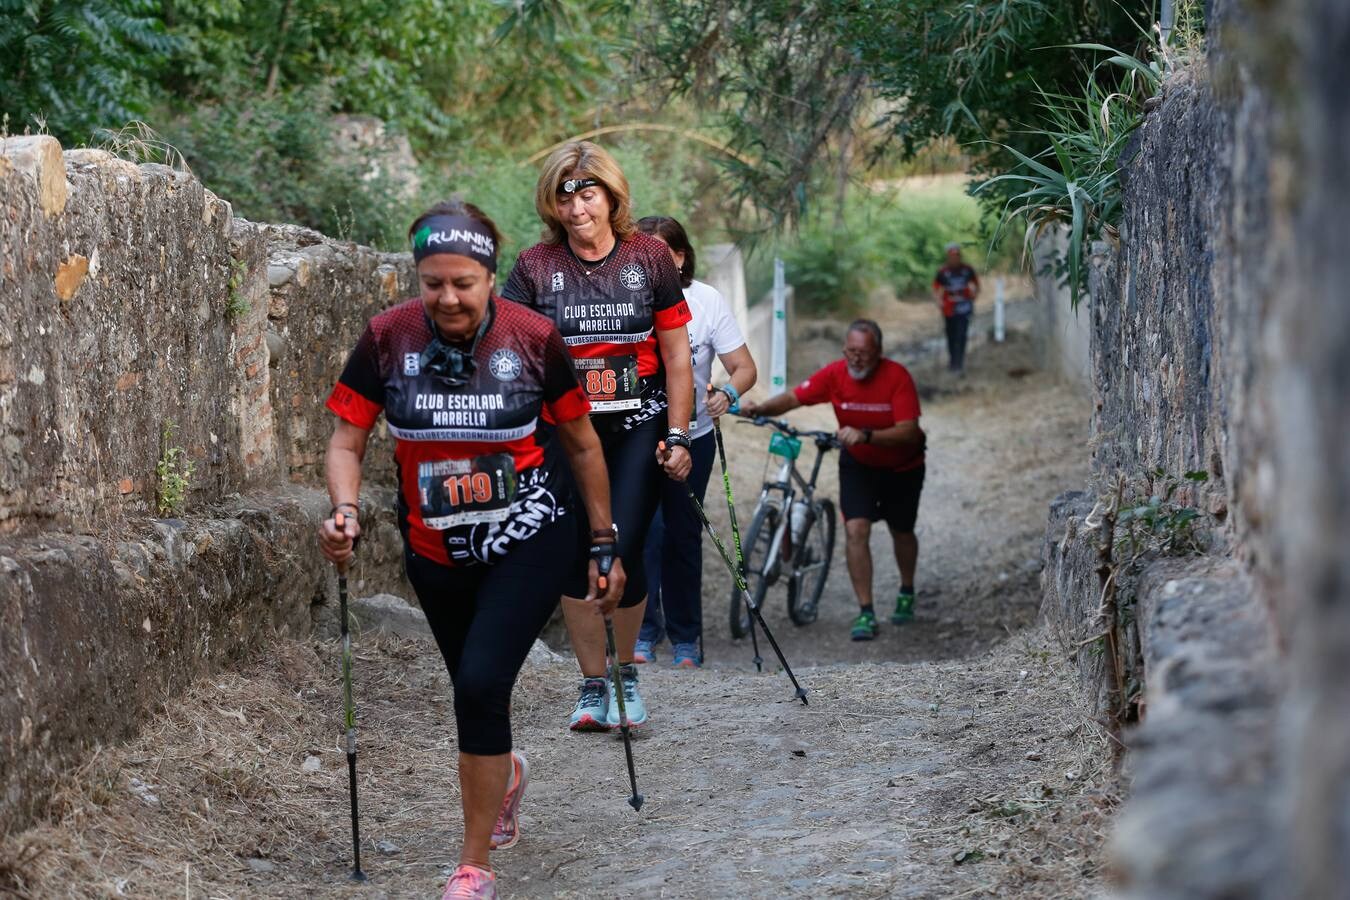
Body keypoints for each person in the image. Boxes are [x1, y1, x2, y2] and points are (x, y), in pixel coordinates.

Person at [319, 200, 626, 900]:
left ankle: (474, 862)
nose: (448, 298)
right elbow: (346, 438)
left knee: (482, 684)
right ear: (417, 278)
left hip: (530, 535)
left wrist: (603, 541)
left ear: (491, 277)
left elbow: (581, 443)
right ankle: (507, 774)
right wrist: (341, 510)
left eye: (463, 282)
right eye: (433, 283)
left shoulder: (535, 337)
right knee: (473, 691)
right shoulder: (385, 339)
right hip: (433, 550)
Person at [500, 142, 694, 730]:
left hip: (636, 426)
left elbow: (678, 355)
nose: (577, 208)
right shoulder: (535, 268)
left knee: (624, 547)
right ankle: (592, 686)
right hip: (564, 430)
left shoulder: (650, 259)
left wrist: (680, 434)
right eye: (565, 197)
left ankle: (625, 675)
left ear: (611, 197)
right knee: (572, 553)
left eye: (588, 194)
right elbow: (508, 347)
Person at [739, 319, 925, 641]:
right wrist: (761, 410)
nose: (857, 358)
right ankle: (866, 612)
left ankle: (906, 589)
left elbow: (909, 430)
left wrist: (867, 434)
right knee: (856, 529)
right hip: (859, 465)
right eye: (851, 351)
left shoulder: (897, 377)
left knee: (902, 531)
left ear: (878, 352)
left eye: (864, 353)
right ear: (843, 350)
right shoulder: (835, 374)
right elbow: (796, 397)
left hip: (902, 467)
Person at [632, 216, 757, 668]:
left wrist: (728, 393)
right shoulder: (624, 298)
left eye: (661, 253)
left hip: (695, 435)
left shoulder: (706, 301)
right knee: (645, 532)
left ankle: (687, 637)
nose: (650, 263)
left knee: (682, 532)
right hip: (638, 437)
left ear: (681, 257)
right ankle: (644, 630)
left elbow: (744, 367)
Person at [932, 242, 980, 373]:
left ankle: (960, 362)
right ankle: (953, 361)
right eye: (952, 256)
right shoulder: (943, 271)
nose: (955, 259)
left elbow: (976, 283)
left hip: (964, 307)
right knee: (951, 335)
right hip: (949, 308)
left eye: (957, 256)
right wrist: (939, 301)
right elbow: (936, 287)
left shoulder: (967, 269)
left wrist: (974, 294)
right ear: (948, 257)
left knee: (962, 334)